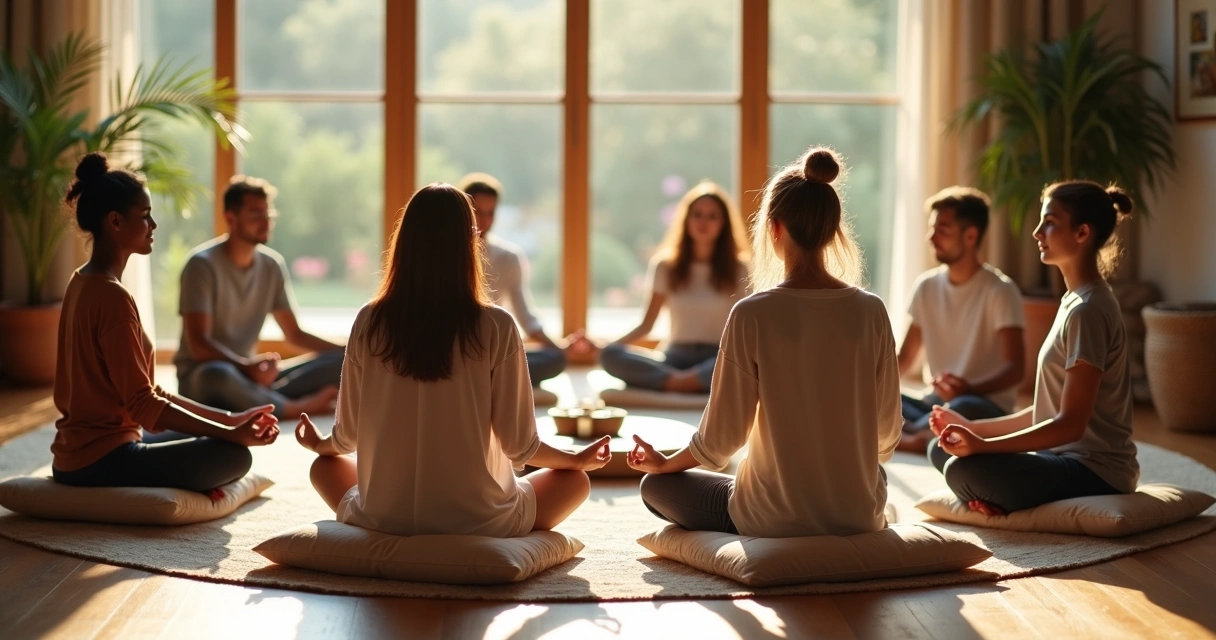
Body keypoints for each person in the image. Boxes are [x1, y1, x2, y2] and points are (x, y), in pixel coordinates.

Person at [295, 184, 611, 536]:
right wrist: (576, 459)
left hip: (385, 517)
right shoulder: (496, 325)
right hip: (479, 520)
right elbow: (520, 445)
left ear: (404, 243)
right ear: (468, 243)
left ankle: (394, 517)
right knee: (576, 481)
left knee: (323, 467)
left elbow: (346, 438)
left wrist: (318, 444)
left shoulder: (369, 320)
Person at [626, 148, 902, 537]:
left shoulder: (752, 313)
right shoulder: (871, 311)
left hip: (771, 518)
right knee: (876, 479)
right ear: (833, 229)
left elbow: (720, 441)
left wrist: (666, 463)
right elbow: (886, 436)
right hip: (858, 515)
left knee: (656, 487)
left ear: (773, 228)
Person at [52, 153, 278, 495]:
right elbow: (143, 405)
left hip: (76, 455)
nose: (153, 226)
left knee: (206, 435)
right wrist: (230, 435)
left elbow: (148, 393)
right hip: (101, 460)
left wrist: (227, 419)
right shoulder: (112, 297)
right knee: (233, 456)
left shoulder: (81, 281)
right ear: (114, 221)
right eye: (145, 216)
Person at [927, 181, 1137, 515]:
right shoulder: (1073, 301)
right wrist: (972, 428)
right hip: (1059, 458)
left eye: (1050, 222)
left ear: (1082, 232)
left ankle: (998, 494)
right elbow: (1046, 410)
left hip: (1096, 472)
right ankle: (997, 493)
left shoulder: (1088, 311)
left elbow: (1069, 425)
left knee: (963, 469)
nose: (1038, 232)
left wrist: (984, 446)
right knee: (941, 450)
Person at [175, 176, 343, 419]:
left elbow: (294, 334)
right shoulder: (201, 265)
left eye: (268, 215)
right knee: (218, 375)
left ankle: (264, 401)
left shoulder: (272, 265)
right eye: (255, 215)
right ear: (230, 218)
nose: (265, 223)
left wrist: (346, 351)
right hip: (206, 377)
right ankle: (294, 407)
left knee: (341, 362)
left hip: (253, 377)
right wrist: (245, 367)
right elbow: (199, 346)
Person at [896, 187, 1025, 452]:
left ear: (970, 235)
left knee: (961, 408)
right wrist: (865, 388)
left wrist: (968, 388)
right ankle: (917, 432)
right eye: (932, 229)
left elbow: (1016, 368)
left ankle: (907, 435)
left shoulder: (1000, 291)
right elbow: (905, 358)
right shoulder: (926, 286)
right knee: (883, 398)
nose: (931, 237)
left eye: (942, 229)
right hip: (934, 403)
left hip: (982, 404)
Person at [599, 181, 750, 393]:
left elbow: (745, 331)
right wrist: (608, 346)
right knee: (610, 355)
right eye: (697, 214)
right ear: (686, 220)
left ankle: (674, 383)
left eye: (712, 216)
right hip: (674, 357)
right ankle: (686, 382)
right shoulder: (665, 266)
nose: (703, 222)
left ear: (724, 223)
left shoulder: (740, 269)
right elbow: (646, 325)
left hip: (717, 358)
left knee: (740, 364)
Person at [459, 173, 577, 386]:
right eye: (477, 212)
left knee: (554, 360)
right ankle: (491, 379)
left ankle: (490, 377)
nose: (483, 221)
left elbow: (525, 314)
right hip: (457, 352)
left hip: (493, 353)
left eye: (490, 213)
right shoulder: (446, 254)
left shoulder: (508, 257)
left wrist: (558, 348)